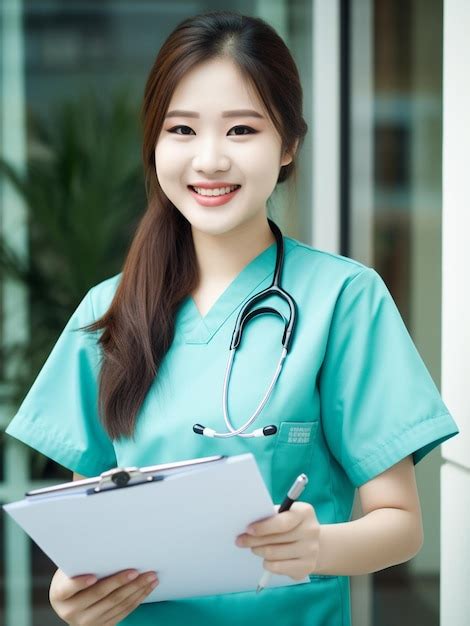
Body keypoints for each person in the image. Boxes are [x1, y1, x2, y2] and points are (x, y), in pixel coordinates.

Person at [4, 10, 459, 626]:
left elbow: (401, 527)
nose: (210, 160)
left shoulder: (345, 299)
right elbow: (88, 532)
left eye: (242, 130)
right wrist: (73, 597)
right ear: (156, 143)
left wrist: (316, 544)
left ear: (289, 142)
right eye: (182, 130)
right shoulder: (107, 311)